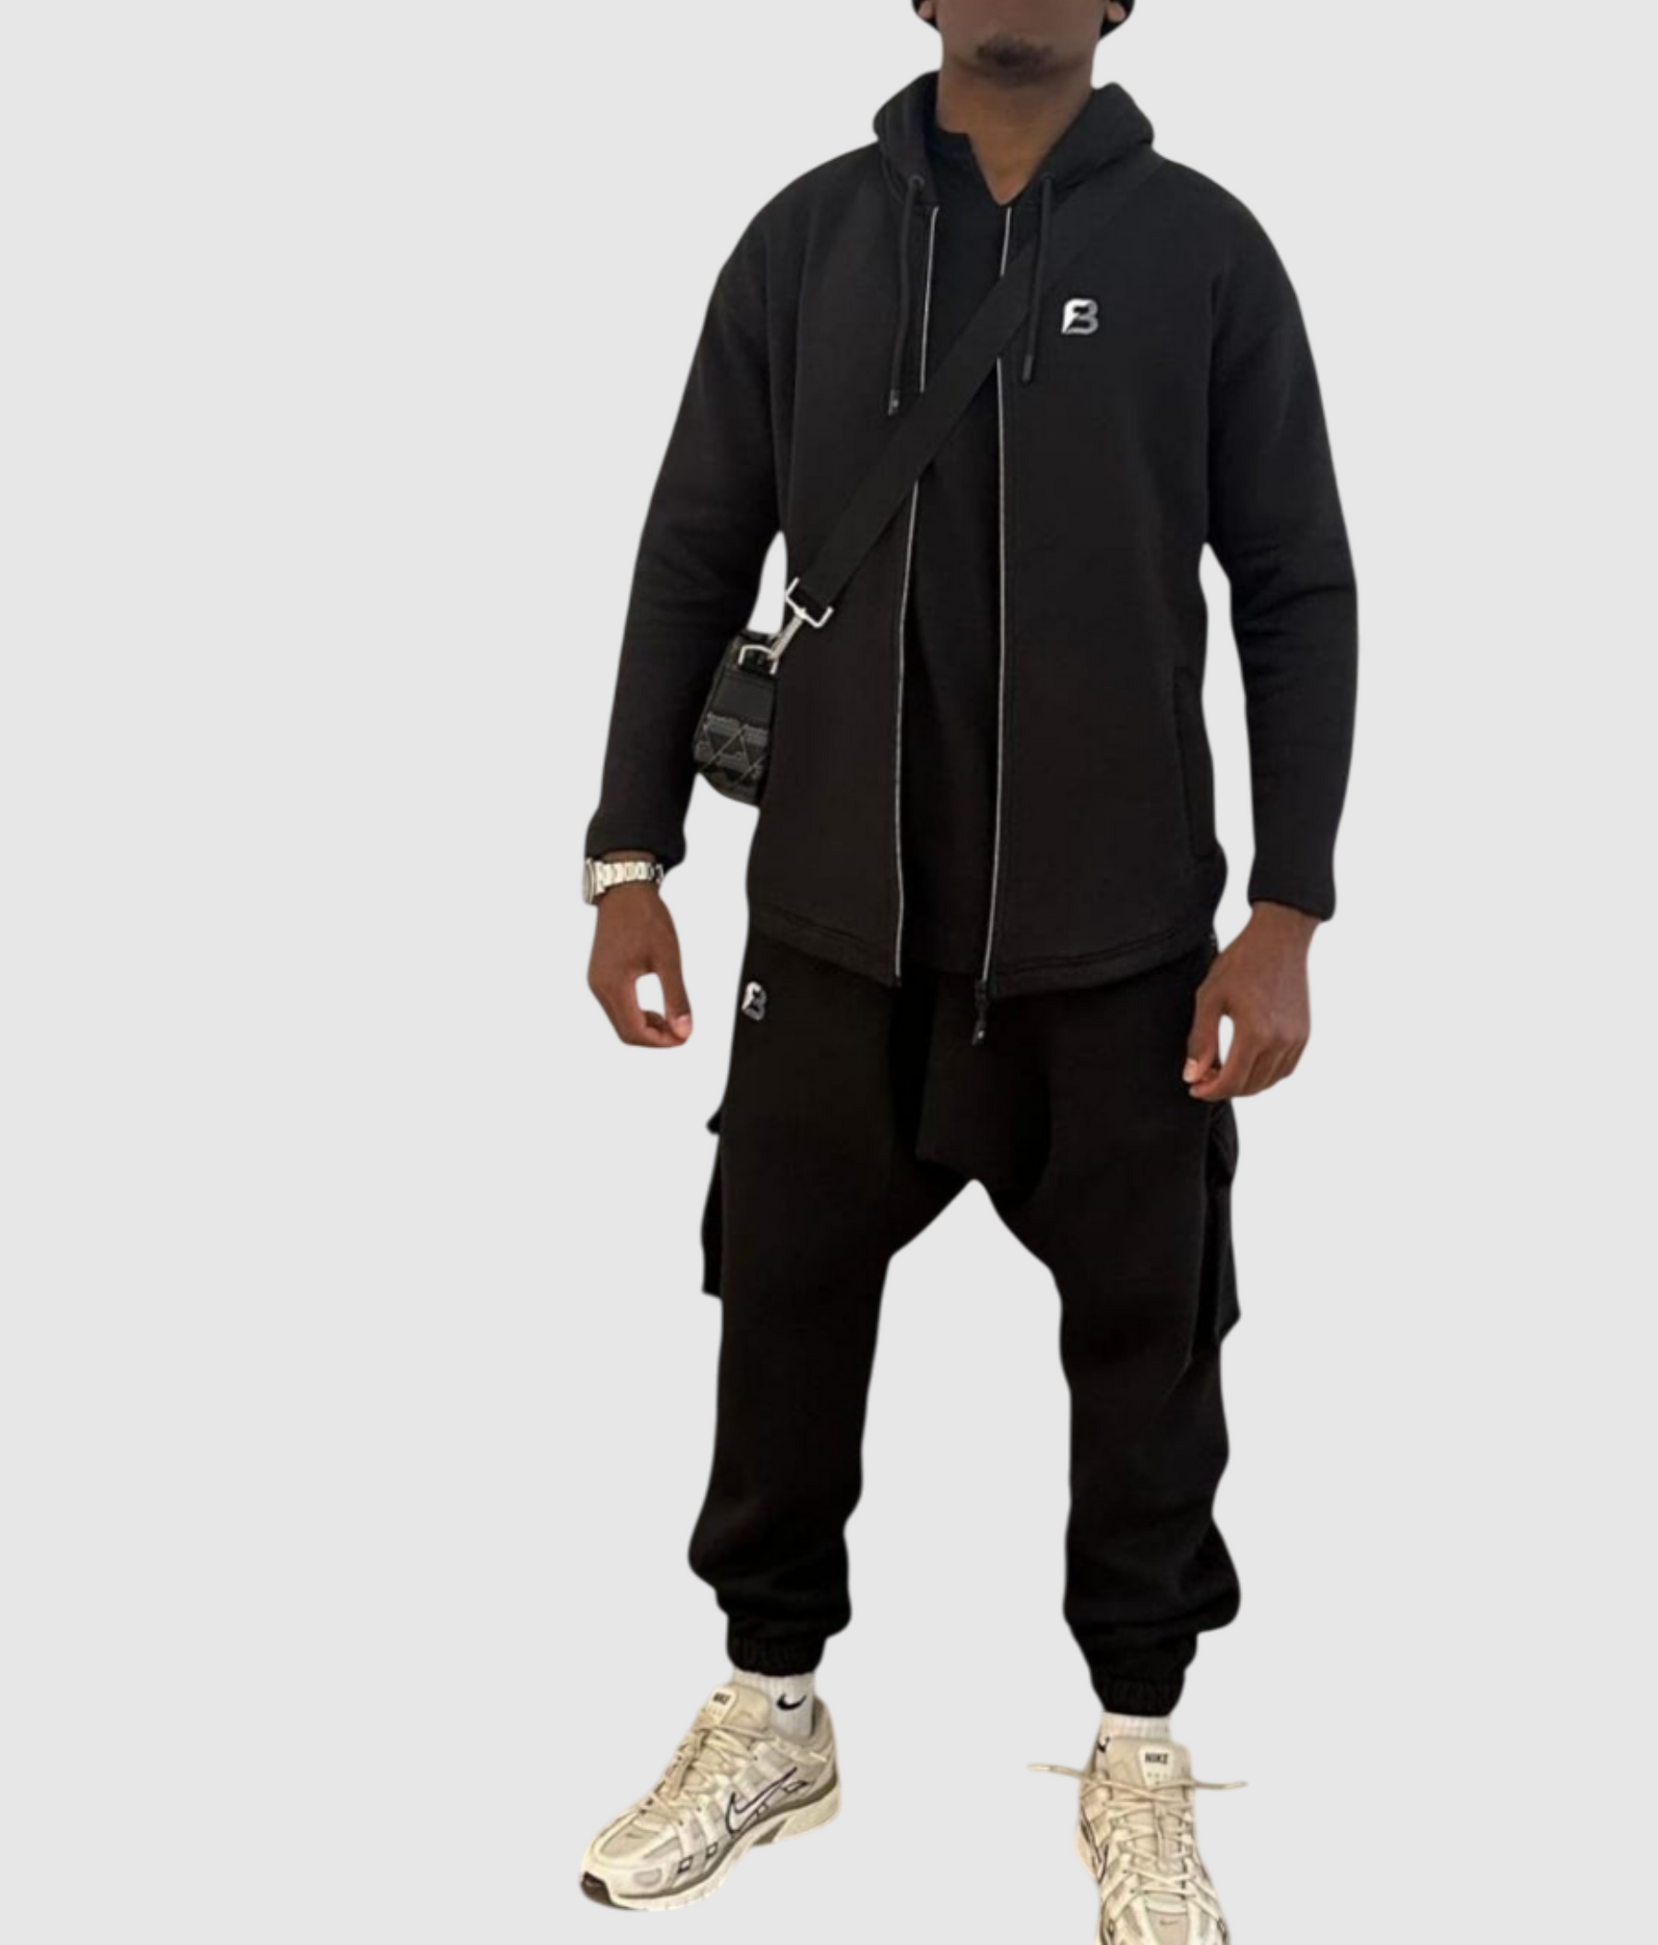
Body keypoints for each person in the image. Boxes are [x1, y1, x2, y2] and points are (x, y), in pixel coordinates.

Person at [577, 2, 1356, 1933]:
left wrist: (1286, 907)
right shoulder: (806, 243)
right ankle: (772, 1713)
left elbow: (1296, 583)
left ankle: (1138, 1748)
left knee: (1152, 1357)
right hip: (833, 935)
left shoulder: (1202, 253)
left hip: (1118, 953)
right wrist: (628, 856)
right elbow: (692, 546)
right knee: (777, 1320)